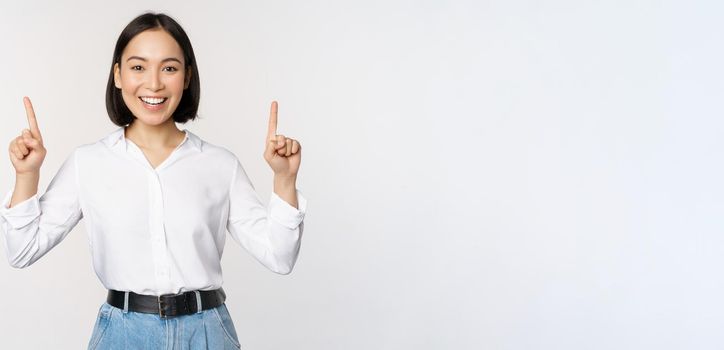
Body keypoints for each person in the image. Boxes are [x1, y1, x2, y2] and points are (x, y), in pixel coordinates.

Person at [0, 12, 306, 349]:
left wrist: (284, 179)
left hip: (206, 333)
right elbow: (22, 251)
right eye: (138, 67)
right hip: (122, 335)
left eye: (170, 68)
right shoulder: (88, 163)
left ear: (187, 77)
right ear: (117, 75)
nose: (155, 83)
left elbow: (280, 256)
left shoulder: (219, 165)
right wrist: (27, 175)